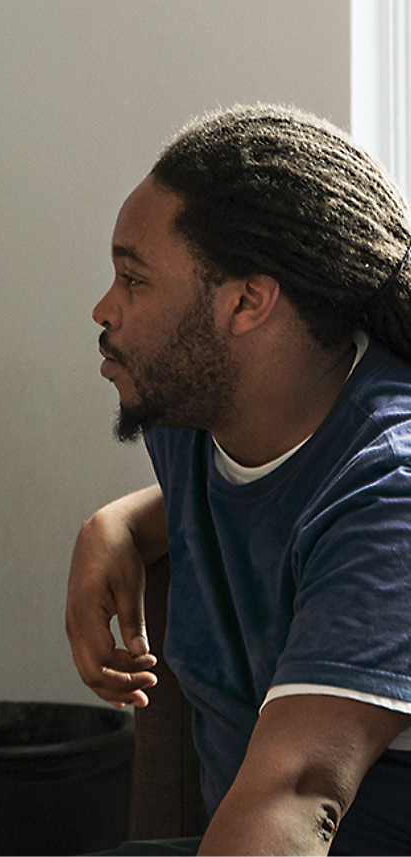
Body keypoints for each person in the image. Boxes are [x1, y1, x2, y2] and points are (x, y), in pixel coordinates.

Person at [69, 105, 411, 856]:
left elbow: (297, 794)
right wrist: (119, 525)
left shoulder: (389, 491)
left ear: (246, 302)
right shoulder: (193, 410)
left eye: (133, 278)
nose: (102, 308)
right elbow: (272, 497)